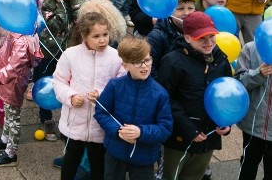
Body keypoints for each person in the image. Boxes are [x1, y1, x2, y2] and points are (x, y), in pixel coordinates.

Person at [158, 12, 232, 180]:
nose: (208, 42)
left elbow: (228, 93)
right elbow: (166, 99)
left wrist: (227, 123)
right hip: (179, 138)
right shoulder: (173, 61)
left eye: (211, 36)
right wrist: (189, 130)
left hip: (209, 135)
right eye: (202, 38)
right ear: (188, 38)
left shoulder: (220, 59)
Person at [52, 11, 125, 180]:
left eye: (105, 35)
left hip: (101, 123)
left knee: (98, 163)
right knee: (71, 159)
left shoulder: (116, 57)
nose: (102, 40)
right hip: (74, 121)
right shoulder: (70, 54)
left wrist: (101, 94)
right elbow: (58, 81)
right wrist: (70, 97)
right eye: (96, 36)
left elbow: (121, 83)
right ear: (84, 36)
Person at [94, 37, 173, 180]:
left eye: (147, 60)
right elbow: (101, 113)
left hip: (144, 156)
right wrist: (118, 131)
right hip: (115, 151)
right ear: (125, 65)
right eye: (137, 62)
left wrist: (141, 132)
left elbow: (165, 128)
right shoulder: (114, 85)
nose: (144, 66)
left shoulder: (160, 93)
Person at [0, 25, 43, 168]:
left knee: (13, 116)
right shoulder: (18, 31)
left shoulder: (22, 41)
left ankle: (10, 153)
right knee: (9, 113)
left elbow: (14, 67)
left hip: (13, 83)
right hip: (7, 81)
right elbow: (4, 52)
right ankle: (4, 140)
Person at [37, 0, 84, 141]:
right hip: (51, 52)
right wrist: (60, 5)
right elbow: (60, 25)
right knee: (47, 83)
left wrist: (71, 2)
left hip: (70, 51)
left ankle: (67, 121)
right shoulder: (48, 5)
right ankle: (46, 118)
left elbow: (79, 20)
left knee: (69, 85)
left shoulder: (77, 0)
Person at [235, 39, 272, 180]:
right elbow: (238, 82)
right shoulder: (251, 48)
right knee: (248, 164)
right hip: (254, 123)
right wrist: (259, 73)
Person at [146, 0, 199, 80]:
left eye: (190, 8)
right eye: (180, 9)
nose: (186, 13)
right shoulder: (157, 36)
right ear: (169, 11)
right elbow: (151, 68)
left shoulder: (199, 31)